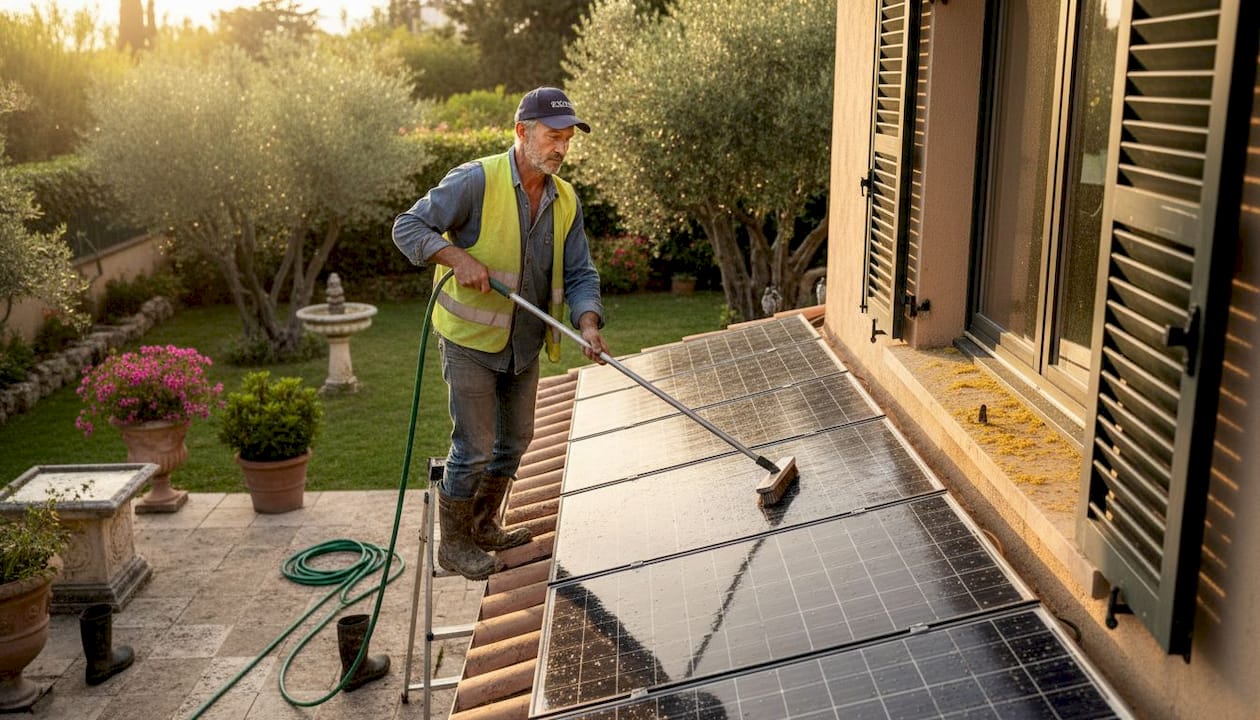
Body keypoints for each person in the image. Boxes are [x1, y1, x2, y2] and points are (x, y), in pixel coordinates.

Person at [393, 87, 608, 580]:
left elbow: (580, 273)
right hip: (471, 340)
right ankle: (454, 545)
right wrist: (457, 257)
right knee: (475, 445)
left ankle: (484, 524)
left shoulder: (565, 199)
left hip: (524, 343)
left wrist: (588, 322)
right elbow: (408, 228)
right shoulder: (475, 181)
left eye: (568, 139)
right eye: (553, 137)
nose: (561, 148)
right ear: (521, 132)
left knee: (516, 439)